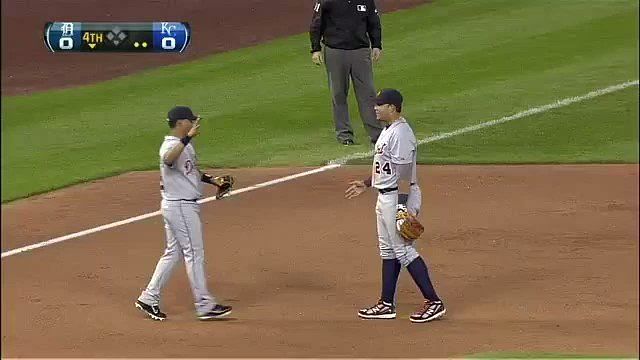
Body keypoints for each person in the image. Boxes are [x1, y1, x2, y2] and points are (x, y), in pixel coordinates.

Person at [344, 89, 447, 323]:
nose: (375, 108)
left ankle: (434, 301)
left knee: (403, 250)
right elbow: (386, 168)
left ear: (392, 108)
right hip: (385, 196)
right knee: (387, 250)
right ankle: (386, 304)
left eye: (380, 105)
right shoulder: (388, 130)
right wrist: (367, 183)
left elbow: (402, 173)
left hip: (396, 197)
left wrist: (402, 205)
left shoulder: (401, 134)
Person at [134, 106, 233, 321]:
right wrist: (187, 139)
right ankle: (205, 304)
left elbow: (190, 171)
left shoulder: (184, 146)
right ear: (180, 123)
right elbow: (168, 160)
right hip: (180, 206)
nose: (195, 123)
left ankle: (148, 298)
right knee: (194, 253)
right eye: (191, 120)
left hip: (179, 205)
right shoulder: (170, 145)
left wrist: (213, 180)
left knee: (173, 253)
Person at [309, 0, 384, 146]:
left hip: (360, 51)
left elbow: (374, 21)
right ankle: (344, 135)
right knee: (338, 93)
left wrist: (376, 44)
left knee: (367, 93)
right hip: (335, 50)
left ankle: (377, 135)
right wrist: (315, 48)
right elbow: (316, 23)